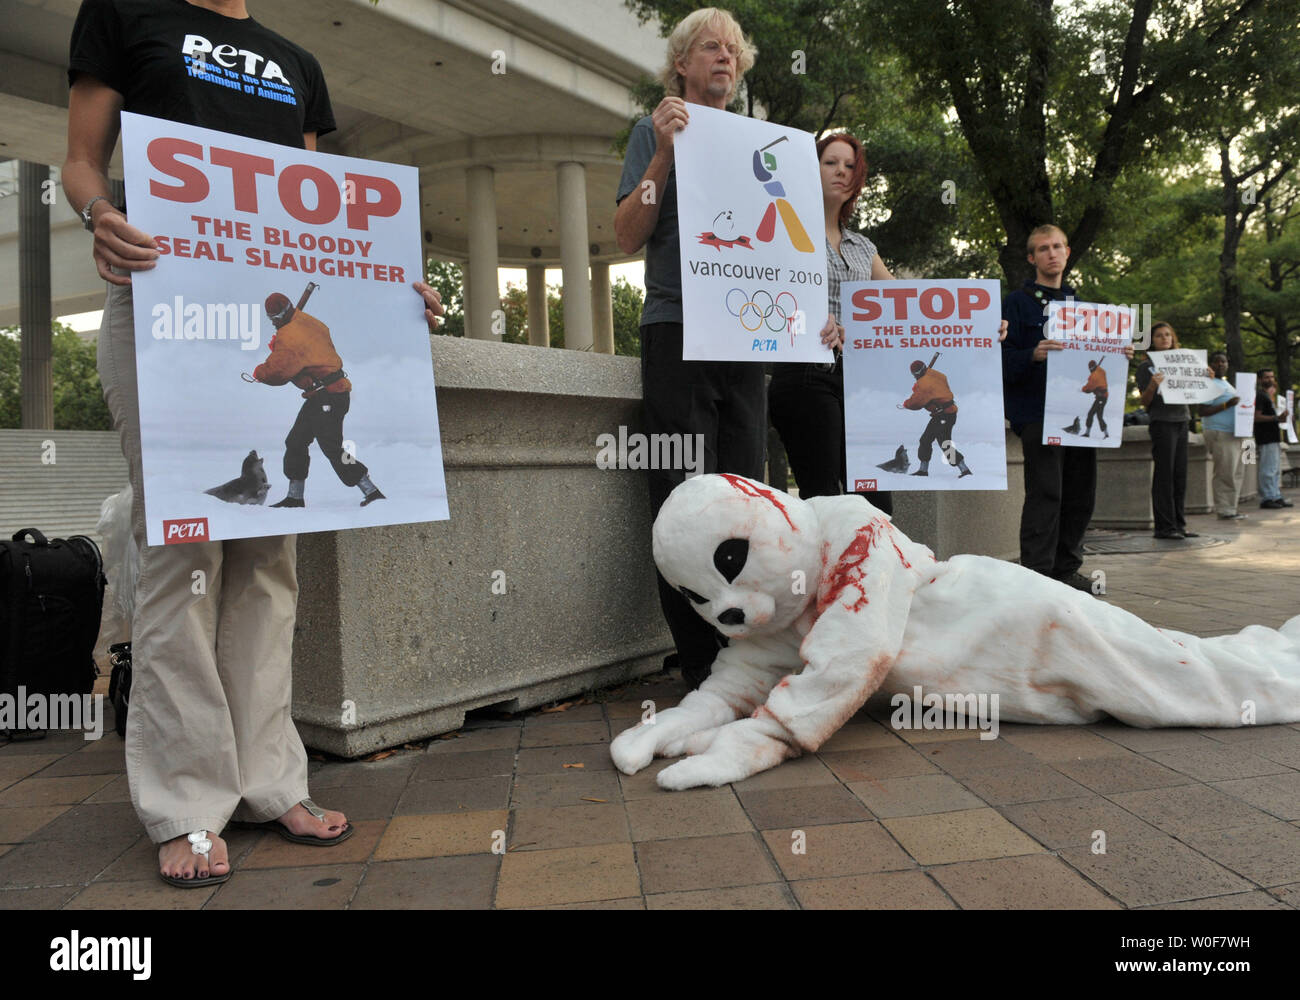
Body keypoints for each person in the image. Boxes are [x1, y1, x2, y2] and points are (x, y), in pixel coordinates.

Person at [62, 0, 442, 888]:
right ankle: (188, 804)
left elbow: (319, 227)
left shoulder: (295, 61)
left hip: (256, 293)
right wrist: (97, 216)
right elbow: (82, 160)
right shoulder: (123, 12)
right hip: (165, 307)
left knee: (269, 556)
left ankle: (273, 781)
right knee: (182, 553)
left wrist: (393, 289)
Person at [615, 8, 837, 689]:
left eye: (732, 51)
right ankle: (700, 666)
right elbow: (627, 233)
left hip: (744, 341)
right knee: (683, 497)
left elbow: (790, 247)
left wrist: (812, 320)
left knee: (749, 494)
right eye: (709, 48)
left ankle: (749, 654)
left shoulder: (762, 146)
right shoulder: (649, 132)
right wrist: (662, 149)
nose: (723, 58)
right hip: (677, 332)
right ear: (681, 64)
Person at [769, 132, 895, 511]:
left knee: (876, 505)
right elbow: (769, 296)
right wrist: (809, 317)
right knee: (825, 502)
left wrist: (979, 321)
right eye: (830, 162)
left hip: (859, 383)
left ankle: (870, 574)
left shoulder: (864, 247)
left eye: (850, 165)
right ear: (812, 168)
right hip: (805, 374)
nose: (841, 171)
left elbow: (906, 304)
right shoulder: (785, 231)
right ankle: (823, 574)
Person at [1002, 224, 1131, 589]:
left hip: (1080, 415)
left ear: (1068, 252)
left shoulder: (1086, 309)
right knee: (1046, 492)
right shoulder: (1016, 303)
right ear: (1032, 258)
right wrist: (1033, 353)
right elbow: (998, 360)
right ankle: (1038, 574)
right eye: (1043, 248)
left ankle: (1066, 570)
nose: (1051, 253)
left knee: (1080, 495)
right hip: (1039, 415)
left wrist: (1120, 354)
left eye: (1057, 246)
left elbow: (1098, 364)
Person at [252, 289, 385, 508]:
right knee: (296, 441)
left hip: (330, 397)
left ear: (279, 316)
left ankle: (371, 490)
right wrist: (281, 346)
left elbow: (277, 372)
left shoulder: (290, 335)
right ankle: (295, 497)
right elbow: (305, 356)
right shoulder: (308, 322)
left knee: (333, 448)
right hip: (324, 394)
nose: (274, 323)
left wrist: (261, 370)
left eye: (275, 319)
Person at [1135, 322, 1196, 539]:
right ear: (1152, 341)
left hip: (1182, 420)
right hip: (1162, 422)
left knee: (1180, 475)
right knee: (1165, 475)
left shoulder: (1183, 363)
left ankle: (1179, 524)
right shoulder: (1145, 367)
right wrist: (1152, 385)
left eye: (1168, 334)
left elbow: (1196, 390)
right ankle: (1164, 527)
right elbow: (1144, 401)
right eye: (1159, 335)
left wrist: (1205, 377)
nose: (1165, 338)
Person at [900, 357, 972, 478]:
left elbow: (916, 403)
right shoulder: (937, 375)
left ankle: (964, 469)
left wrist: (906, 403)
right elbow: (932, 388)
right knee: (926, 440)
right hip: (945, 414)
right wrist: (919, 386)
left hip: (944, 415)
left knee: (944, 443)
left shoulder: (924, 385)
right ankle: (923, 470)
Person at [1199, 350, 1245, 520]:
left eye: (1223, 362)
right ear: (1210, 365)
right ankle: (1225, 510)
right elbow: (1202, 411)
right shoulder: (1208, 383)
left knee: (1235, 472)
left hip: (1235, 434)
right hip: (1220, 433)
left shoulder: (1226, 384)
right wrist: (1227, 405)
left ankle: (1232, 508)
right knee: (1225, 472)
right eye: (1216, 361)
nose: (1220, 364)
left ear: (1228, 364)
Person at [1254, 368, 1293, 509]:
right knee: (1268, 469)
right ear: (1259, 380)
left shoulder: (1268, 396)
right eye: (1266, 377)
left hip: (1274, 437)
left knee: (1275, 469)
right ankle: (1267, 498)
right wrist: (1276, 417)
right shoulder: (1259, 396)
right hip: (1265, 437)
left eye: (1271, 377)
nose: (1270, 379)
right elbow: (1256, 417)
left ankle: (1276, 495)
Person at [1080, 359, 1109, 438]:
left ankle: (1087, 433)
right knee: (1098, 415)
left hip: (1101, 398)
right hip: (1103, 397)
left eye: (1090, 368)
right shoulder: (1101, 371)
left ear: (1091, 368)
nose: (1090, 370)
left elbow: (1088, 388)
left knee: (1092, 414)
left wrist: (1083, 389)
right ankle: (1106, 434)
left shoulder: (1094, 376)